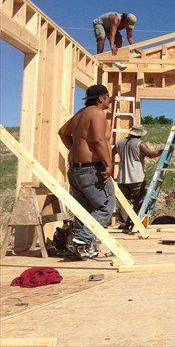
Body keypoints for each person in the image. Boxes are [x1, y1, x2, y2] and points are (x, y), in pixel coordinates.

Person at [58, 84, 115, 259]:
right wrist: (108, 163)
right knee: (105, 207)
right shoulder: (97, 113)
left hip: (76, 170)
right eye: (107, 96)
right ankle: (81, 240)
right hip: (91, 170)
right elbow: (98, 140)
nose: (109, 100)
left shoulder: (80, 114)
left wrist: (75, 149)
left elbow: (62, 133)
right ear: (100, 99)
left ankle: (80, 246)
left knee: (85, 210)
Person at [113, 125, 162, 231]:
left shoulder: (120, 142)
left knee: (123, 202)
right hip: (136, 178)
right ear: (140, 134)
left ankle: (123, 224)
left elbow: (110, 154)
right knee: (139, 200)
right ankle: (135, 222)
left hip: (122, 177)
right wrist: (164, 150)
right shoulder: (140, 144)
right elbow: (152, 155)